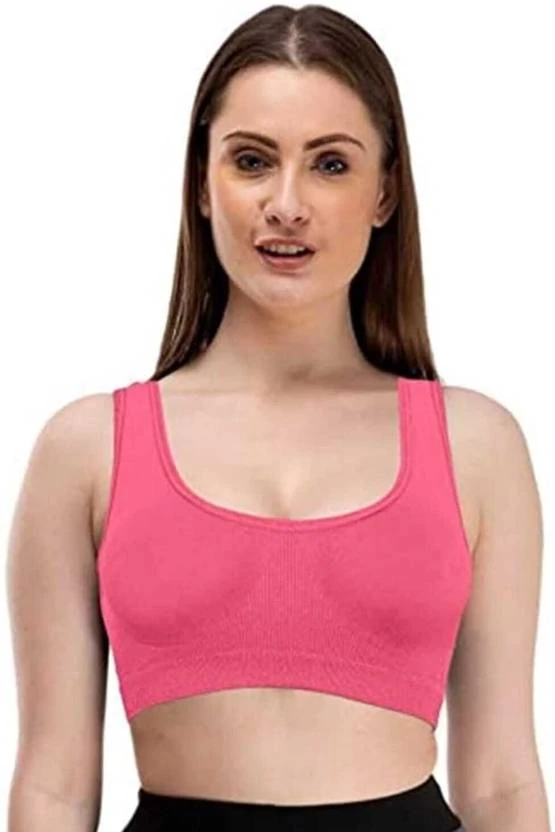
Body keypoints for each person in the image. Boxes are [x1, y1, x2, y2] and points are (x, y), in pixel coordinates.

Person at [6, 5, 550, 832]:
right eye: (252, 161)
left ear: (383, 193)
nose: (286, 205)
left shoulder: (474, 446)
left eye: (330, 164)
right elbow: (53, 787)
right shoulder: (87, 450)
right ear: (201, 183)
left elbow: (501, 783)